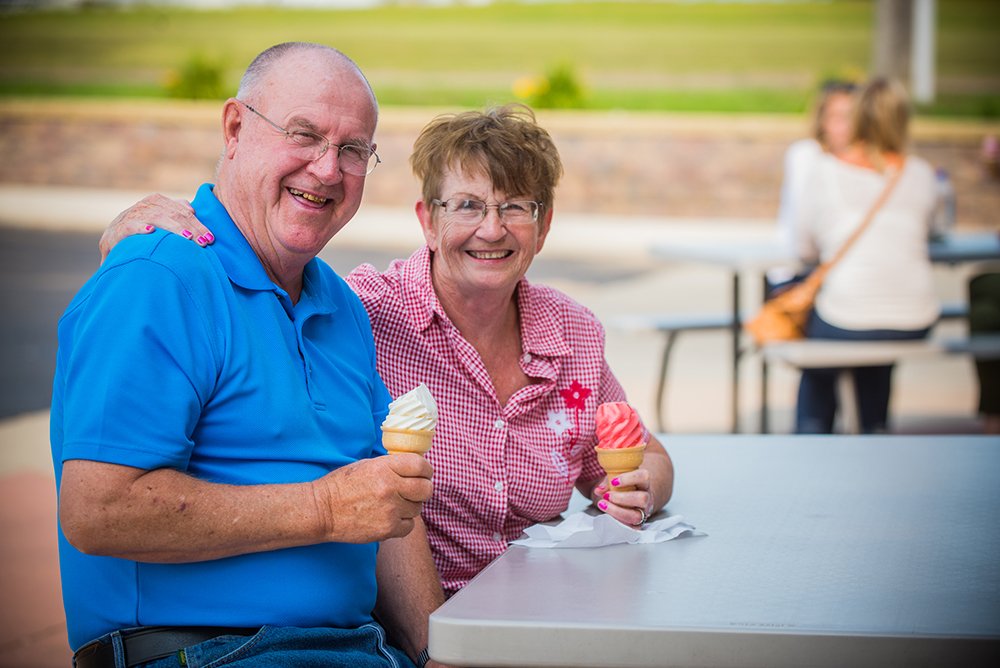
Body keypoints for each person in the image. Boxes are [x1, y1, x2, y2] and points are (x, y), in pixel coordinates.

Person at [100, 103, 676, 597]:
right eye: (468, 206)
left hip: (544, 606)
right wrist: (128, 242)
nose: (493, 229)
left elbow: (640, 457)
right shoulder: (362, 313)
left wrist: (640, 489)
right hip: (418, 618)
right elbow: (246, 294)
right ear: (427, 221)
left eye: (516, 207)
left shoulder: (572, 335)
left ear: (542, 226)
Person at [52, 42, 443, 668]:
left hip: (355, 650)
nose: (325, 169)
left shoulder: (340, 306)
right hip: (208, 652)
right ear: (236, 128)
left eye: (351, 150)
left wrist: (436, 654)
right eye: (303, 135)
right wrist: (323, 507)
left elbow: (386, 503)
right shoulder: (158, 275)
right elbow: (99, 509)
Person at [791, 78, 940, 434]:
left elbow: (803, 249)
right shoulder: (921, 173)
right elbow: (932, 229)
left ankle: (809, 440)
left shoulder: (825, 170)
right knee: (876, 350)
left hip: (849, 315)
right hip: (916, 316)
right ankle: (874, 429)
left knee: (819, 362)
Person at [768, 79, 857, 293]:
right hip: (801, 272)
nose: (846, 126)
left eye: (853, 118)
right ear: (822, 120)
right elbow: (804, 231)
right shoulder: (806, 156)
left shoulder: (871, 162)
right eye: (837, 117)